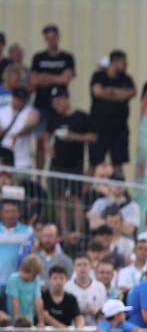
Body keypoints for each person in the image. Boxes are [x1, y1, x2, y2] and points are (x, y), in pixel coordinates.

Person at [46, 86, 95, 235]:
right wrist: (47, 145)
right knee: (59, 199)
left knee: (76, 199)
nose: (56, 105)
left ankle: (78, 232)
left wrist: (73, 137)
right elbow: (46, 133)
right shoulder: (53, 117)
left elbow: (92, 137)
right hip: (57, 165)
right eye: (53, 102)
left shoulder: (81, 117)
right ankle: (64, 232)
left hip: (76, 165)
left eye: (58, 101)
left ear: (66, 99)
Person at [29, 24, 76, 170]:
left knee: (61, 141)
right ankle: (38, 177)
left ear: (58, 37)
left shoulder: (67, 58)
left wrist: (44, 77)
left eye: (53, 38)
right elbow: (34, 80)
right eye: (48, 38)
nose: (51, 41)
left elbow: (65, 79)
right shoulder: (38, 57)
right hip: (41, 105)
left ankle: (58, 172)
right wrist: (56, 77)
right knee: (40, 142)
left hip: (59, 107)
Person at [88, 50, 136, 172]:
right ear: (115, 62)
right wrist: (119, 95)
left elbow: (131, 92)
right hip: (99, 128)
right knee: (95, 163)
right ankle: (89, 185)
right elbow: (98, 92)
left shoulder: (126, 78)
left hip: (120, 129)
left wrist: (111, 91)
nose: (126, 65)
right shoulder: (99, 76)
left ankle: (118, 183)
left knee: (118, 164)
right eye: (123, 62)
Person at [41, 266, 84, 332]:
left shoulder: (71, 298)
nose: (58, 281)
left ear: (66, 280)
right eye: (55, 278)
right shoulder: (42, 296)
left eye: (61, 278)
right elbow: (45, 316)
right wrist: (65, 329)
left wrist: (78, 330)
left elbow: (78, 316)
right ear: (49, 280)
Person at [0, 87, 39, 168]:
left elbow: (31, 125)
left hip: (22, 161)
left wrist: (18, 134)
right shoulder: (2, 111)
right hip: (4, 160)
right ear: (12, 98)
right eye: (17, 99)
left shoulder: (30, 112)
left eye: (21, 100)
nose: (18, 102)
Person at [65, 255, 107, 329]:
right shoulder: (67, 287)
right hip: (73, 330)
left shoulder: (100, 287)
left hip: (95, 329)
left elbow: (104, 312)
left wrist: (94, 312)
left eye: (85, 264)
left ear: (90, 266)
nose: (82, 268)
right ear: (74, 267)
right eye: (79, 265)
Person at [6, 255, 44, 326]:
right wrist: (17, 321)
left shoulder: (36, 280)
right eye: (34, 275)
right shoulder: (13, 279)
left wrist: (41, 322)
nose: (35, 277)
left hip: (29, 321)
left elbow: (38, 301)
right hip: (14, 322)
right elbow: (15, 300)